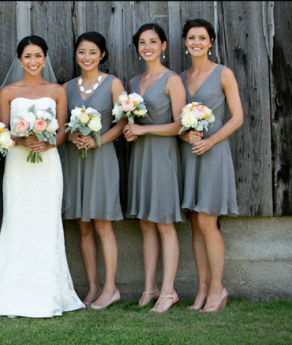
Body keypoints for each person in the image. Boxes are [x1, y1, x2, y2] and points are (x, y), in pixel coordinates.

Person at [0, 35, 86, 318]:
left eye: (38, 56)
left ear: (45, 58)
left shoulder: (57, 90)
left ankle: (50, 291)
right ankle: (10, 290)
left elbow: (62, 131)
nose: (33, 61)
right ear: (19, 59)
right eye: (27, 56)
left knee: (46, 222)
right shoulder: (9, 92)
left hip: (48, 163)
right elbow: (2, 131)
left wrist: (47, 143)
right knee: (18, 221)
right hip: (18, 164)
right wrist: (22, 142)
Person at [179, 18, 243, 312]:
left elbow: (237, 118)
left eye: (202, 38)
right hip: (190, 154)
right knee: (195, 220)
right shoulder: (180, 78)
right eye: (191, 37)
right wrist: (186, 134)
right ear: (185, 42)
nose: (196, 42)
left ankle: (218, 288)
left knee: (207, 221)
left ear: (211, 42)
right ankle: (202, 289)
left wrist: (211, 140)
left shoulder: (223, 74)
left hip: (213, 153)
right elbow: (177, 121)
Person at [124, 23, 186, 313]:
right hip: (140, 155)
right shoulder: (134, 81)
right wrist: (130, 130)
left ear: (163, 46)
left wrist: (145, 131)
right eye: (142, 42)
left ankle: (168, 290)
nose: (147, 47)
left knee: (164, 224)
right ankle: (149, 288)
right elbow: (131, 119)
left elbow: (180, 125)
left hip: (162, 155)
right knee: (145, 224)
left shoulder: (172, 79)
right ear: (137, 47)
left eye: (153, 41)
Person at [62, 32, 125, 309]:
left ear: (102, 55)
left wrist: (98, 139)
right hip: (76, 159)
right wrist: (71, 136)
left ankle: (111, 287)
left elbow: (123, 124)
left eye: (92, 52)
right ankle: (93, 286)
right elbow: (61, 125)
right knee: (83, 225)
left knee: (102, 224)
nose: (86, 57)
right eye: (81, 52)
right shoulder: (66, 87)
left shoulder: (113, 84)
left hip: (102, 158)